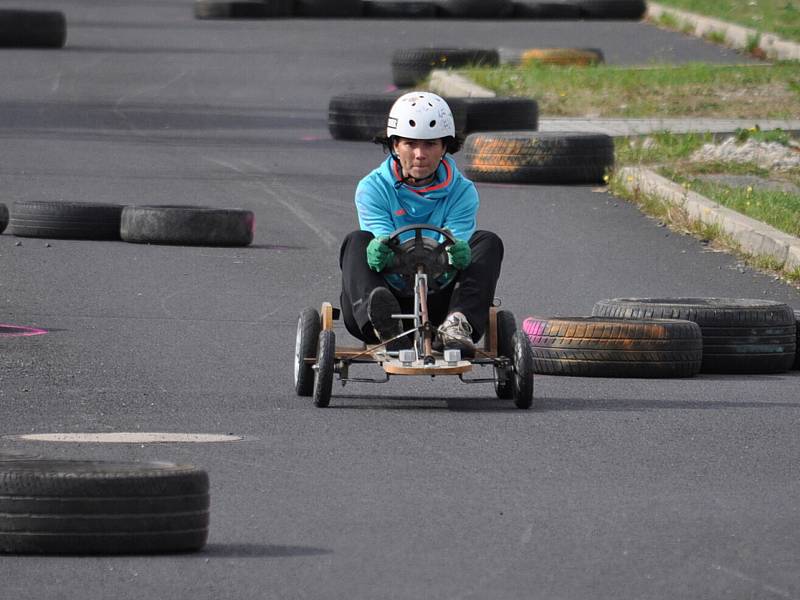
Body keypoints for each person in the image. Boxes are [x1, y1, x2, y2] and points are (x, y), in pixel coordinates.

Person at [338, 91, 504, 357]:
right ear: (394, 145)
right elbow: (379, 235)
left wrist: (457, 252)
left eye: (430, 145)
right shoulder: (373, 187)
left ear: (445, 147)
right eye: (410, 144)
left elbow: (456, 239)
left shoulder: (462, 191)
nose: (419, 154)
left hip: (439, 299)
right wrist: (378, 249)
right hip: (390, 293)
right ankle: (386, 325)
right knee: (356, 241)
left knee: (487, 241)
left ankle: (456, 325)